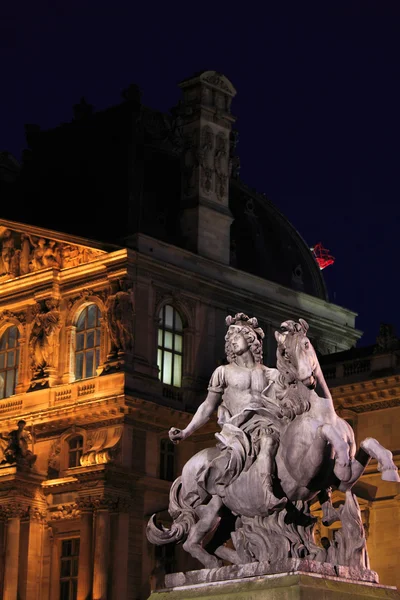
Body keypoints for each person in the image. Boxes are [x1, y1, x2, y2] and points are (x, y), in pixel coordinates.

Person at [169, 312, 287, 513]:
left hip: (267, 424)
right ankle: (267, 495)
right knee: (267, 443)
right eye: (229, 340)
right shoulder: (223, 372)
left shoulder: (271, 374)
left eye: (236, 337)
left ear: (250, 338)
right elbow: (207, 406)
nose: (232, 342)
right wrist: (186, 432)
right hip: (237, 430)